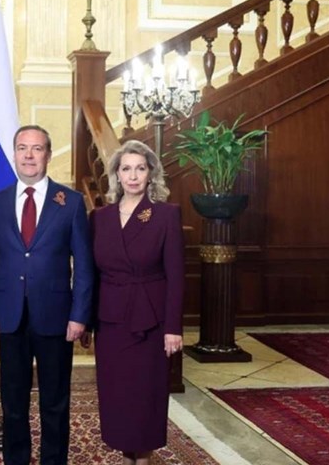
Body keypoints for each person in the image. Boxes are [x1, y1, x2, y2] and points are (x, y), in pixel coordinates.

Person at [0, 125, 93, 465]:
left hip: (56, 317)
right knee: (13, 403)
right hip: (9, 316)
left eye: (37, 148)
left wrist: (79, 315)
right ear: (14, 153)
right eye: (22, 148)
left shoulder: (70, 202)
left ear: (48, 153)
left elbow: (84, 265)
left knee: (55, 402)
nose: (29, 155)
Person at [88, 139, 185, 465]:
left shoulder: (164, 215)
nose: (133, 176)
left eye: (140, 169)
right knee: (118, 397)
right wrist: (87, 321)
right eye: (126, 168)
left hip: (150, 322)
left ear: (150, 174)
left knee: (144, 397)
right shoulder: (99, 217)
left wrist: (173, 328)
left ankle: (142, 459)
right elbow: (91, 274)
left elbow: (176, 276)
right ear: (116, 174)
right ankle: (125, 455)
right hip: (111, 321)